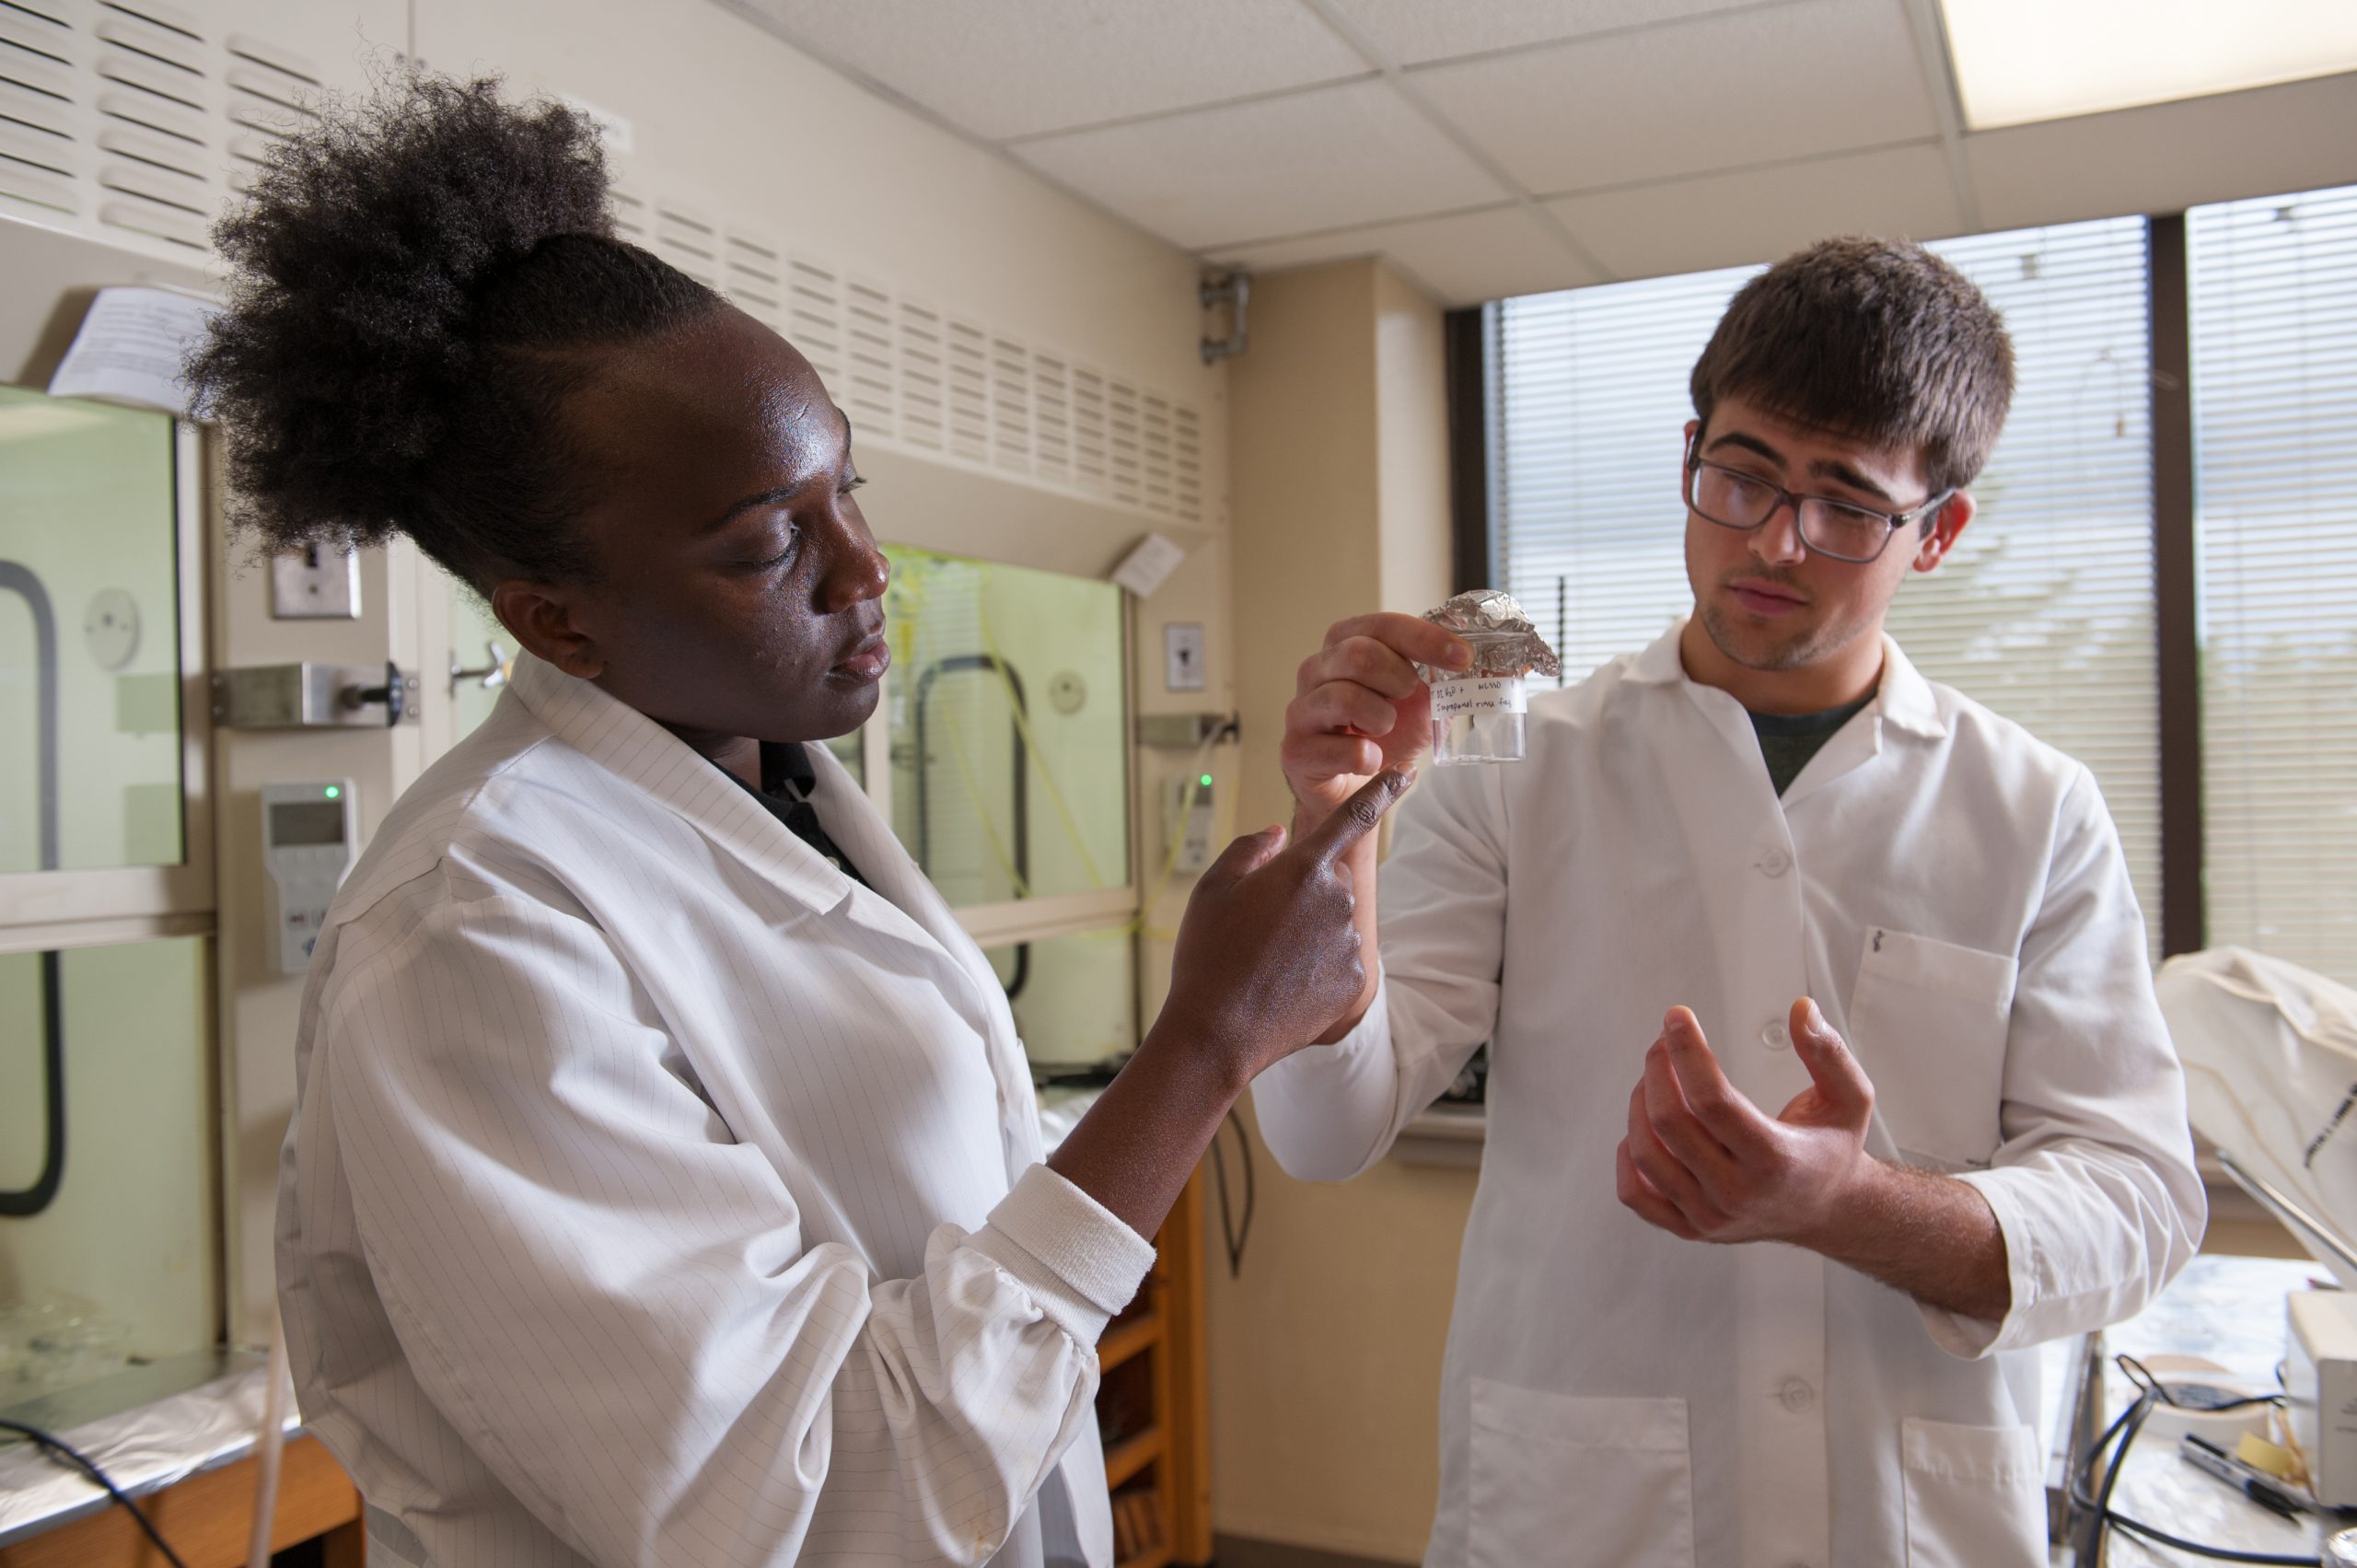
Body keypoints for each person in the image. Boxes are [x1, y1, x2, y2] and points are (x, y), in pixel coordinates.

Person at [197, 75, 1410, 1568]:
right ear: (557, 622)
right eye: (772, 541)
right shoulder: (471, 930)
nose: (864, 569)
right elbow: (813, 1496)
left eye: (850, 487)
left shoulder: (783, 790)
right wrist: (1204, 1045)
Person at [1263, 237, 2204, 1567]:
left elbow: (2142, 1198)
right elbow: (1323, 1127)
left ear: (1937, 531)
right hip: (1590, 1512)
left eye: (1847, 503)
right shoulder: (1518, 770)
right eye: (1744, 475)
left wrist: (1851, 1208)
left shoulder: (2035, 810)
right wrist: (1336, 827)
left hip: (1906, 1518)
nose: (1776, 539)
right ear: (1690, 450)